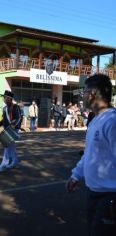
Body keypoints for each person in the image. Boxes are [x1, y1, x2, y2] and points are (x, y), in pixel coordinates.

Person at [66, 74, 116, 236]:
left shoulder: (112, 121)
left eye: (85, 91)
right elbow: (89, 154)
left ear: (93, 93)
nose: (83, 96)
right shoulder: (95, 120)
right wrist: (75, 175)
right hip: (93, 193)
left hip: (110, 197)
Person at [0, 90, 21, 172]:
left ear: (9, 99)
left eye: (5, 97)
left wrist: (13, 124)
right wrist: (0, 123)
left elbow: (18, 118)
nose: (3, 98)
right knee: (12, 147)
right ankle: (15, 162)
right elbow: (5, 119)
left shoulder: (15, 107)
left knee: (6, 147)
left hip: (12, 130)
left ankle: (4, 165)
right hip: (7, 129)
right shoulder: (5, 108)